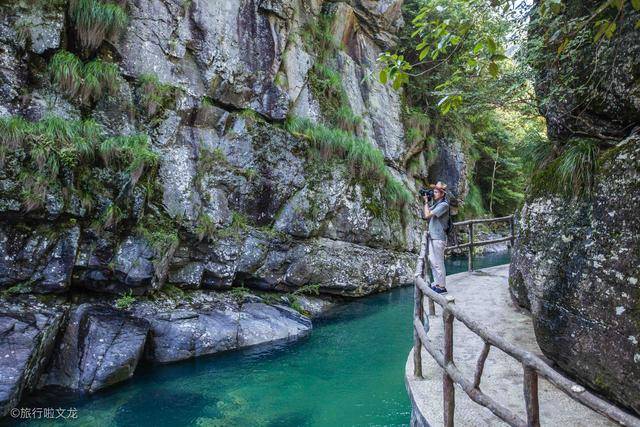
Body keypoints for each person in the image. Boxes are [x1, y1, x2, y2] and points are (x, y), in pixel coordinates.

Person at [422, 181, 450, 294]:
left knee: (439, 262)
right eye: (434, 191)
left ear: (442, 193)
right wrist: (427, 202)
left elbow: (427, 214)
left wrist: (426, 202)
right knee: (433, 261)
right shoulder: (437, 204)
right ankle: (437, 284)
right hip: (434, 237)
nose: (434, 193)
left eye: (436, 191)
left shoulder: (444, 205)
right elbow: (425, 215)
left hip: (439, 237)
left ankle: (442, 287)